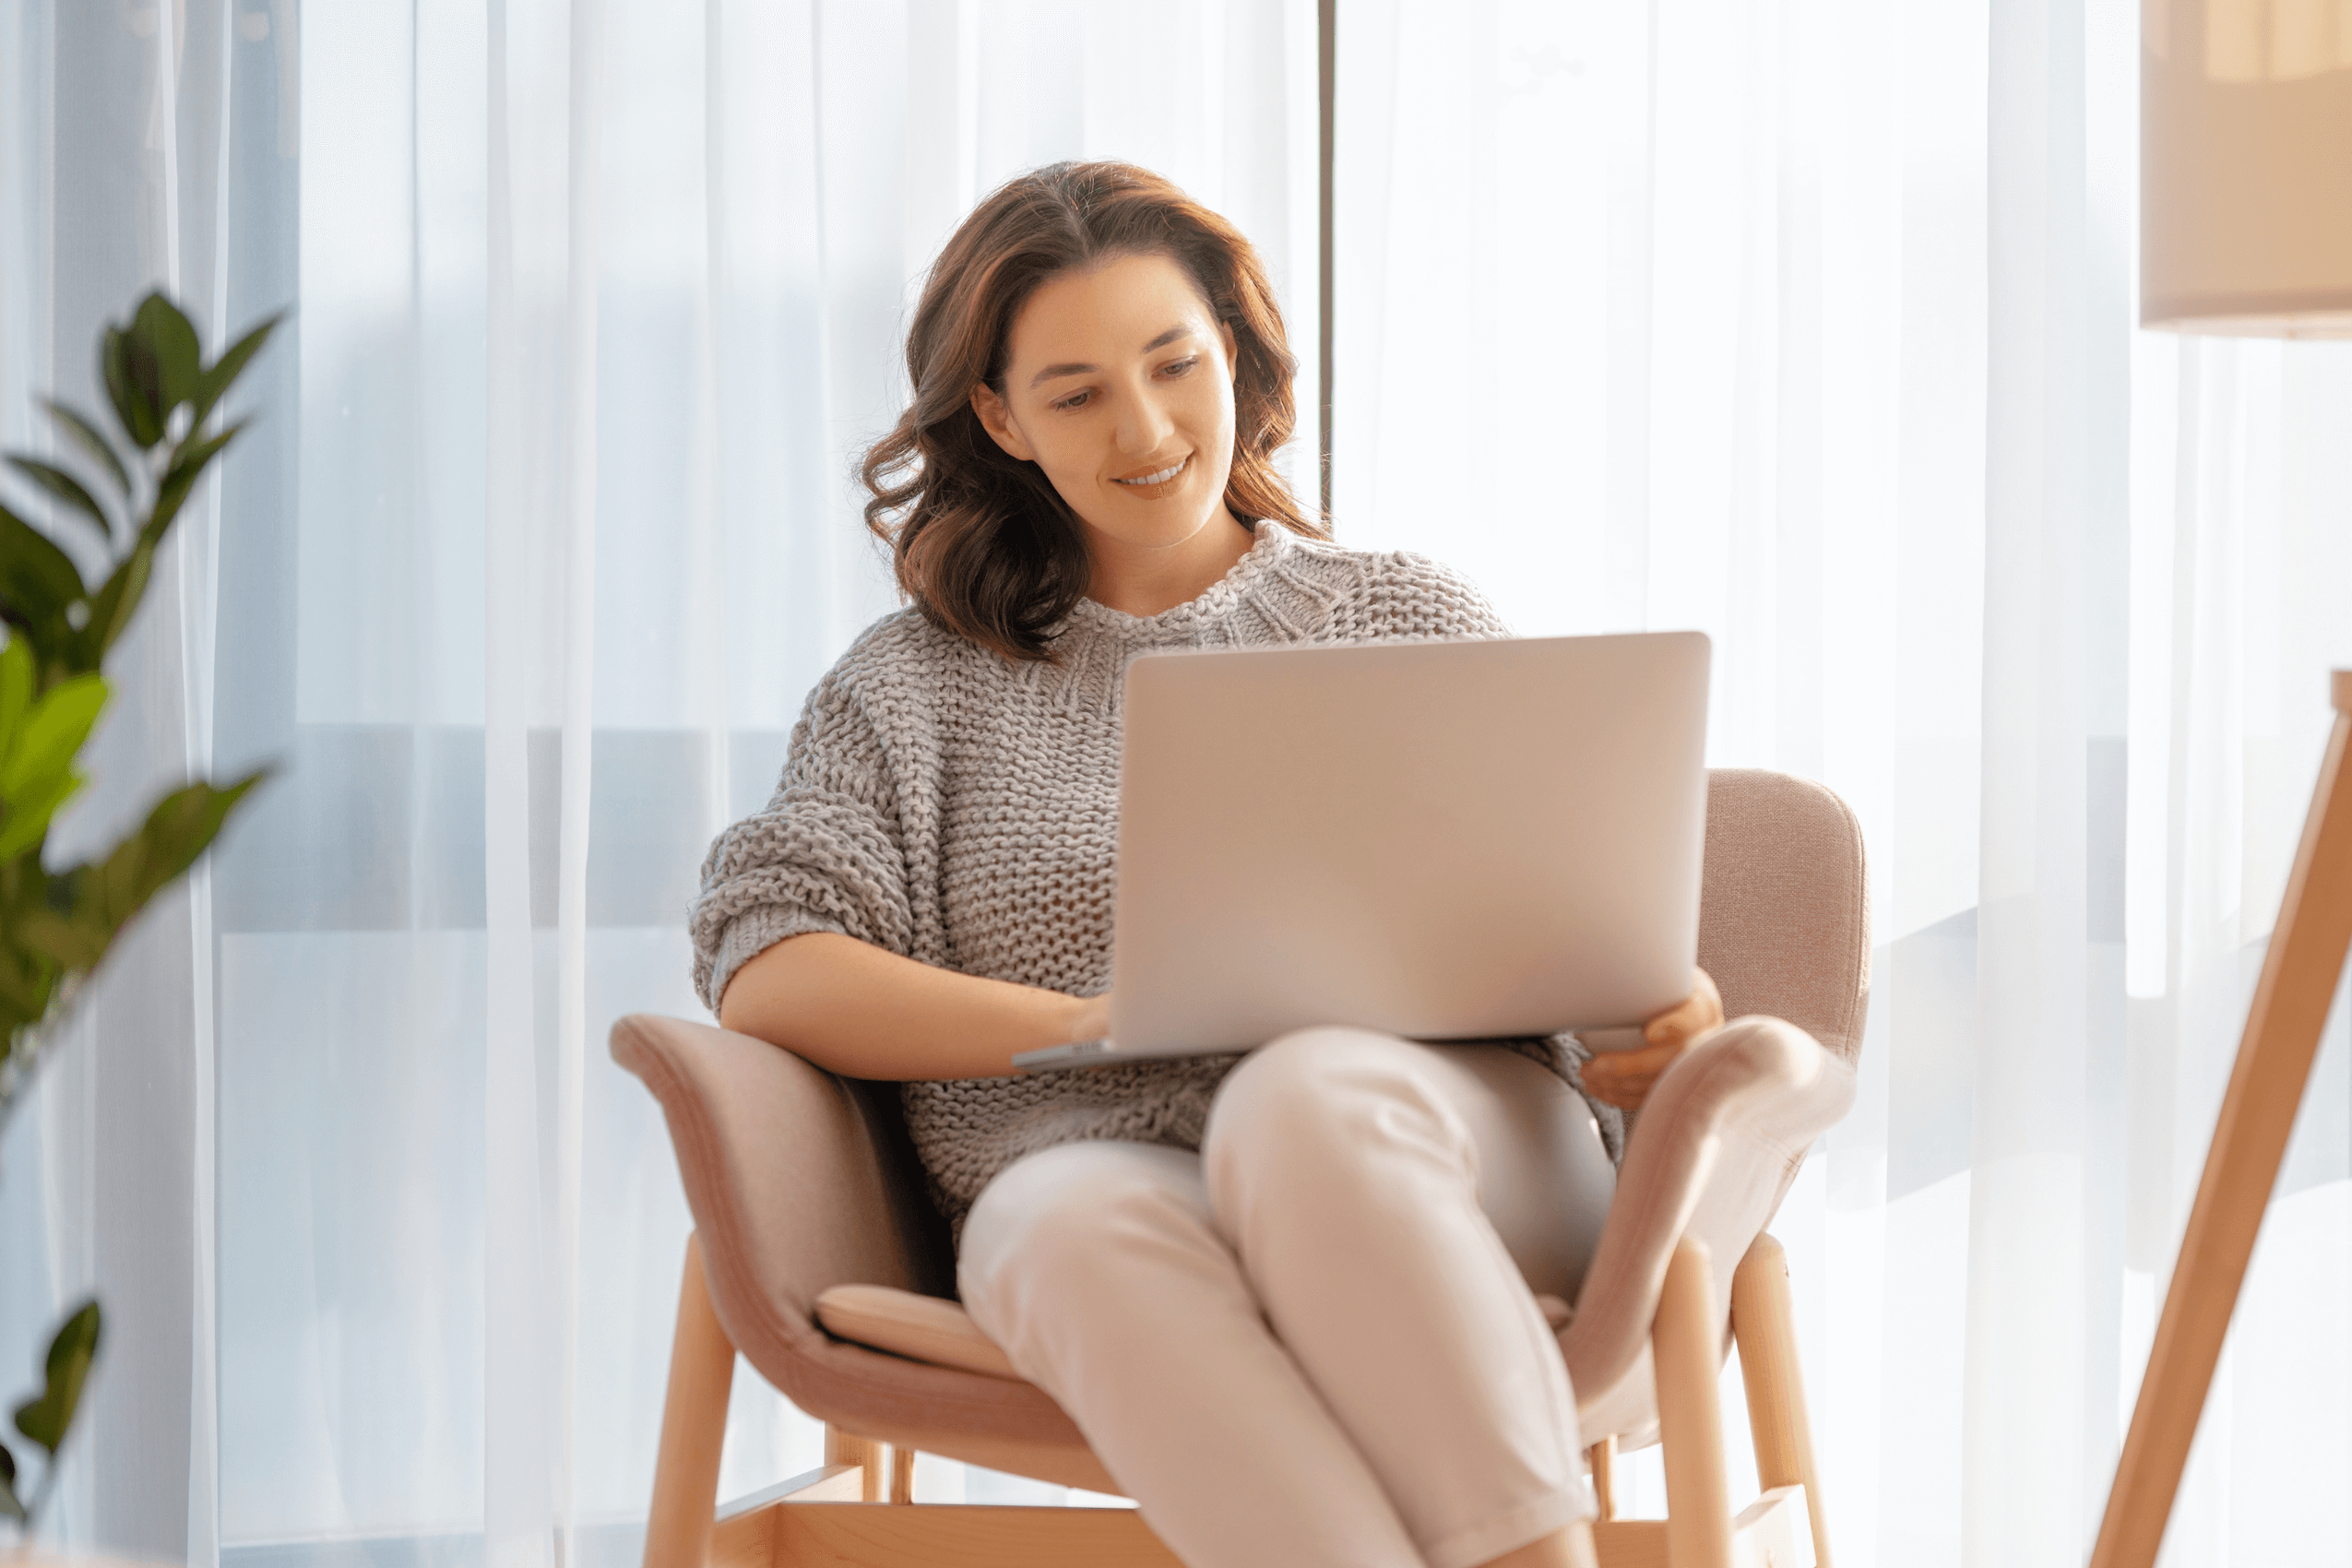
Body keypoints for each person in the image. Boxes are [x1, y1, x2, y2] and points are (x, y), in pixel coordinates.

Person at [690, 160, 1729, 1568]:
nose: (1145, 428)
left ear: (1233, 353)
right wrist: (1085, 1025)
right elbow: (769, 959)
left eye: (1176, 364)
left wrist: (1652, 1010)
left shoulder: (1396, 614)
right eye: (1074, 393)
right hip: (1091, 1158)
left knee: (1301, 1097)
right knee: (1052, 1229)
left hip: (1440, 1157)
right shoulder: (912, 688)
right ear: (997, 418)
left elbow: (1561, 917)